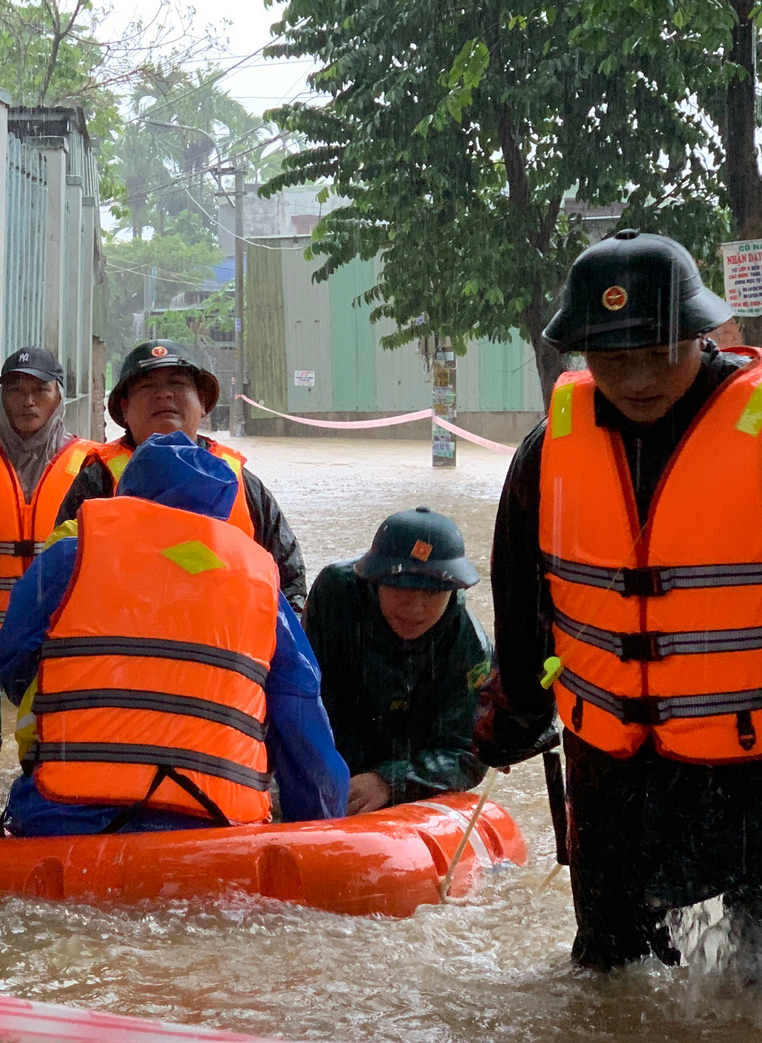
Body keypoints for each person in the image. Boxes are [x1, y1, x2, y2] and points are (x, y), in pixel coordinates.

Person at [475, 229, 762, 970]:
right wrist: (511, 716)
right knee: (609, 972)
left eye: (657, 351)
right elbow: (520, 604)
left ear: (700, 337)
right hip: (608, 770)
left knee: (750, 972)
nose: (636, 377)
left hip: (748, 769)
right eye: (610, 356)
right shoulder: (547, 453)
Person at [0, 431, 349, 836]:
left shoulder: (72, 554)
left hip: (64, 817)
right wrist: (317, 830)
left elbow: (9, 659)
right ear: (219, 506)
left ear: (126, 493)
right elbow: (302, 720)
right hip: (212, 825)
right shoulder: (260, 583)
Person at [55, 339, 308, 612]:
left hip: (223, 649)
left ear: (202, 402)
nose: (163, 395)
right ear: (124, 409)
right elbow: (53, 582)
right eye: (148, 386)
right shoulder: (96, 483)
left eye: (177, 384)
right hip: (126, 647)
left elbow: (289, 584)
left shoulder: (243, 485)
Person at [303, 507, 490, 815]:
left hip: (402, 777)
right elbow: (301, 695)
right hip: (332, 759)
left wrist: (389, 782)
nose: (415, 608)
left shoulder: (469, 645)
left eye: (432, 594)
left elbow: (468, 754)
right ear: (375, 581)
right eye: (402, 589)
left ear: (454, 590)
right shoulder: (336, 594)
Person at [0, 347, 96, 635]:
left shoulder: (92, 465)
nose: (28, 402)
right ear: (2, 400)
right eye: (15, 391)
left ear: (59, 397)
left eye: (40, 390)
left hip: (64, 635)